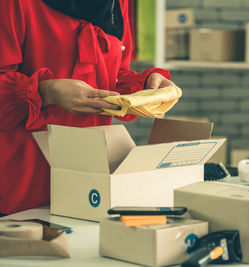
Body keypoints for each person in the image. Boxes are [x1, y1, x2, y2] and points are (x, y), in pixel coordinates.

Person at [0, 0, 174, 215]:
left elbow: (115, 74)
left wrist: (146, 84)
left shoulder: (117, 3)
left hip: (89, 178)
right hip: (22, 182)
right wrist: (48, 92)